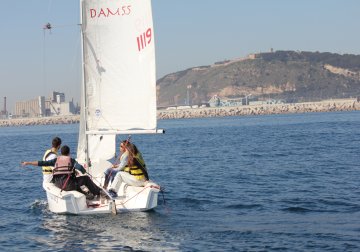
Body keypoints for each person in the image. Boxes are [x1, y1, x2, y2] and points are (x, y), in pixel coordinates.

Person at [22, 145, 102, 199]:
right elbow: (80, 168)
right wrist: (83, 171)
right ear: (69, 153)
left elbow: (42, 163)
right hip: (69, 185)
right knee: (86, 178)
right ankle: (98, 193)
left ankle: (86, 195)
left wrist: (28, 163)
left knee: (74, 182)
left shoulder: (56, 160)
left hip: (58, 185)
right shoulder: (71, 160)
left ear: (61, 153)